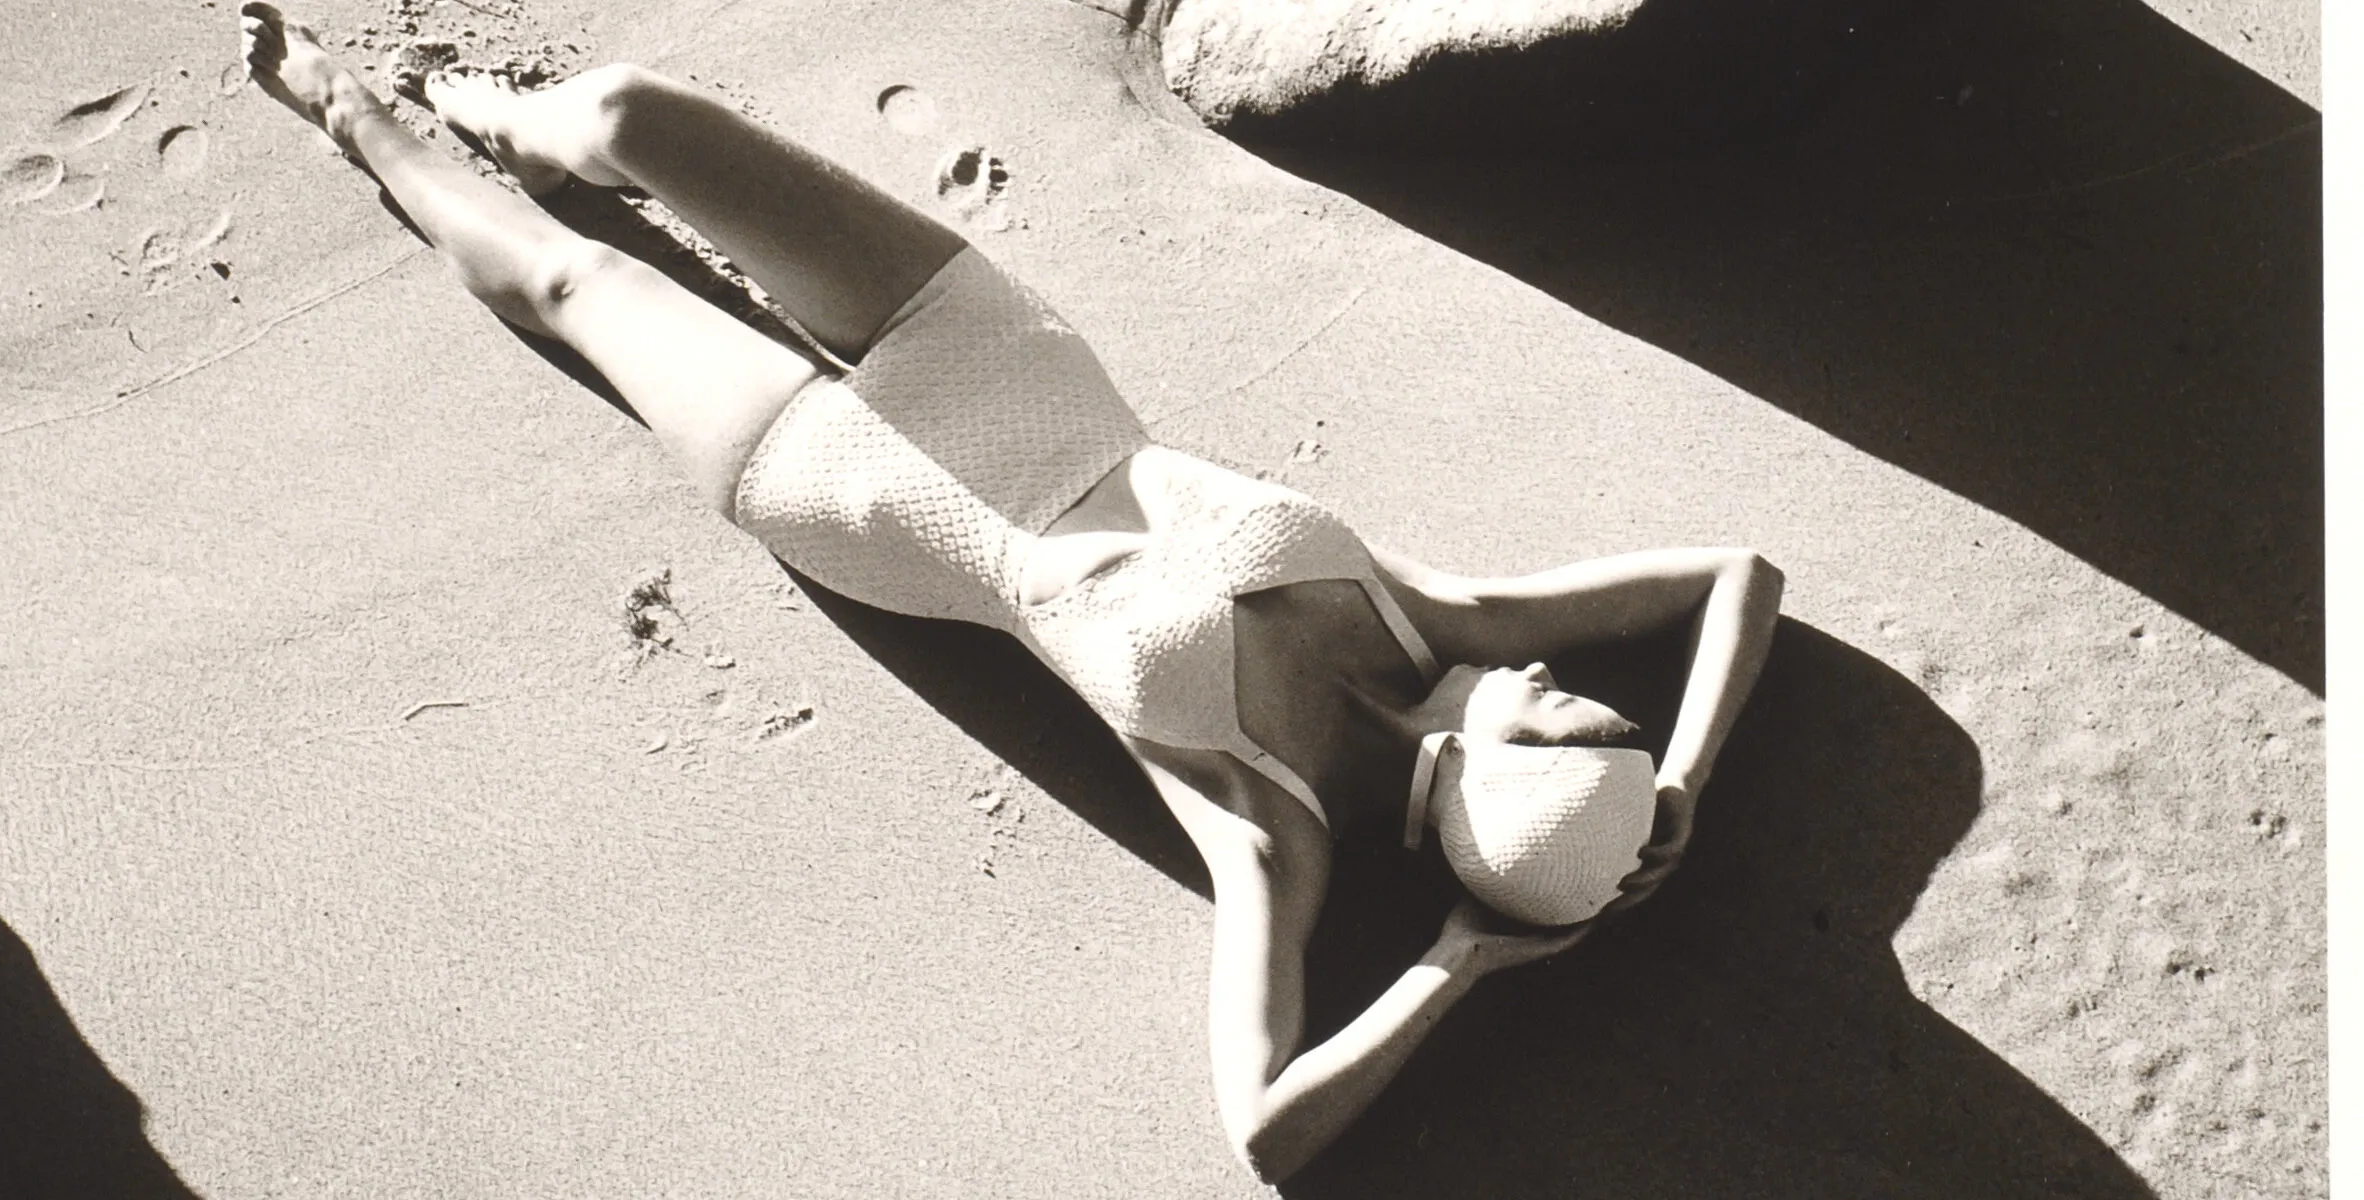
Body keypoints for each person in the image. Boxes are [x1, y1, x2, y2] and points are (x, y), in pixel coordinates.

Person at [240, 6, 1782, 1181]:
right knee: (638, 115)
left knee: (577, 288)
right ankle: (495, 104)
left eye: (1581, 722)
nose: (1583, 689)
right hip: (1000, 357)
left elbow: (1266, 1137)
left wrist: (1466, 959)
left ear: (1502, 791)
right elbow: (1736, 578)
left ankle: (361, 117)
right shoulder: (1438, 620)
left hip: (855, 497)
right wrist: (1684, 783)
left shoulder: (1273, 835)